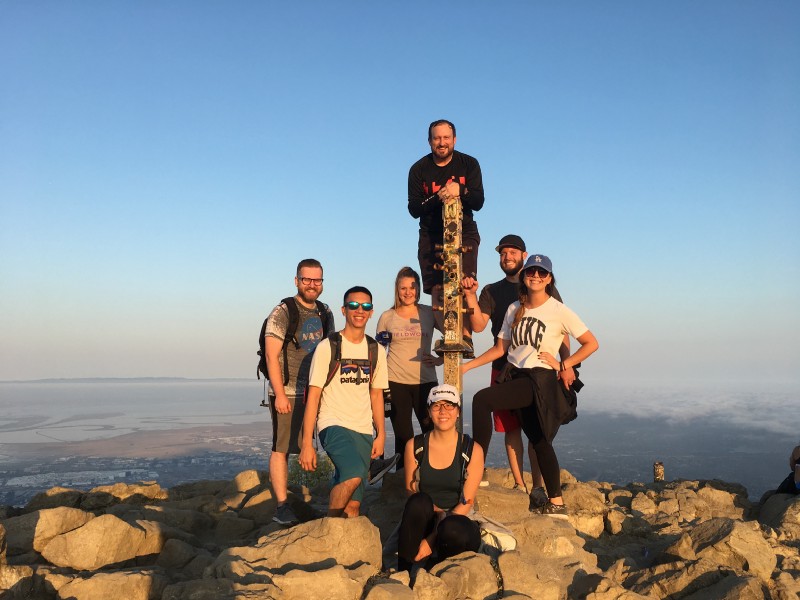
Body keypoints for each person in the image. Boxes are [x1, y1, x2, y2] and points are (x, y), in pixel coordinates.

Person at [463, 254, 598, 517]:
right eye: (531, 272)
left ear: (549, 279)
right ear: (525, 277)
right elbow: (500, 348)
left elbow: (591, 343)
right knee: (539, 439)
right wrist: (468, 366)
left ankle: (475, 468)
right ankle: (557, 503)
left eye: (541, 273)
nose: (535, 276)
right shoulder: (515, 308)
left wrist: (564, 364)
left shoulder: (559, 310)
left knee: (482, 400)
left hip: (539, 379)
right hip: (516, 375)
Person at [299, 286, 388, 517]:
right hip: (333, 423)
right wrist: (307, 443)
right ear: (343, 310)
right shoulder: (328, 347)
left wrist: (381, 434)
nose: (360, 310)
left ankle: (341, 546)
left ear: (371, 312)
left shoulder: (375, 350)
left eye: (366, 306)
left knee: (355, 504)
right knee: (354, 473)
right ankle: (329, 526)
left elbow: (376, 394)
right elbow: (314, 396)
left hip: (363, 429)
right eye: (353, 305)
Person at [263, 258, 334, 525]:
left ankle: (303, 503)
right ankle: (282, 506)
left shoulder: (325, 312)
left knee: (314, 444)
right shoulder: (282, 312)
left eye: (317, 280)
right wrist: (279, 394)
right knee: (282, 447)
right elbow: (271, 356)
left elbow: (330, 351)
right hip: (289, 390)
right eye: (306, 279)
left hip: (316, 389)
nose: (312, 285)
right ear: (296, 281)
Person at [397, 384, 485, 572]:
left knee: (451, 528)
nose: (443, 411)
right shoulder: (415, 446)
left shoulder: (472, 450)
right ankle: (402, 573)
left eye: (449, 405)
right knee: (418, 501)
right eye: (437, 406)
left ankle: (438, 569)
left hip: (457, 520)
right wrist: (436, 514)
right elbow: (410, 490)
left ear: (458, 411)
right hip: (427, 516)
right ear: (429, 411)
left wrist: (433, 538)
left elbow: (467, 502)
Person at [407, 119, 484, 302]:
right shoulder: (418, 170)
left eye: (446, 138)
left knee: (466, 288)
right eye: (437, 138)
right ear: (429, 141)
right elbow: (414, 209)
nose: (442, 143)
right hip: (431, 236)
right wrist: (438, 196)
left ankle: (464, 332)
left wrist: (461, 190)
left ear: (455, 139)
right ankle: (446, 331)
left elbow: (478, 202)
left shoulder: (469, 164)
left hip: (464, 232)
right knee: (438, 294)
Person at [375, 267, 443, 472]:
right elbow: (378, 352)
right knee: (403, 435)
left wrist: (439, 360)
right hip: (395, 382)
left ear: (418, 289)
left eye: (412, 287)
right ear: (397, 289)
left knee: (431, 431)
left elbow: (453, 337)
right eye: (403, 288)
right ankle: (401, 480)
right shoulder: (387, 316)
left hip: (426, 381)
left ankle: (433, 475)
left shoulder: (428, 314)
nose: (407, 292)